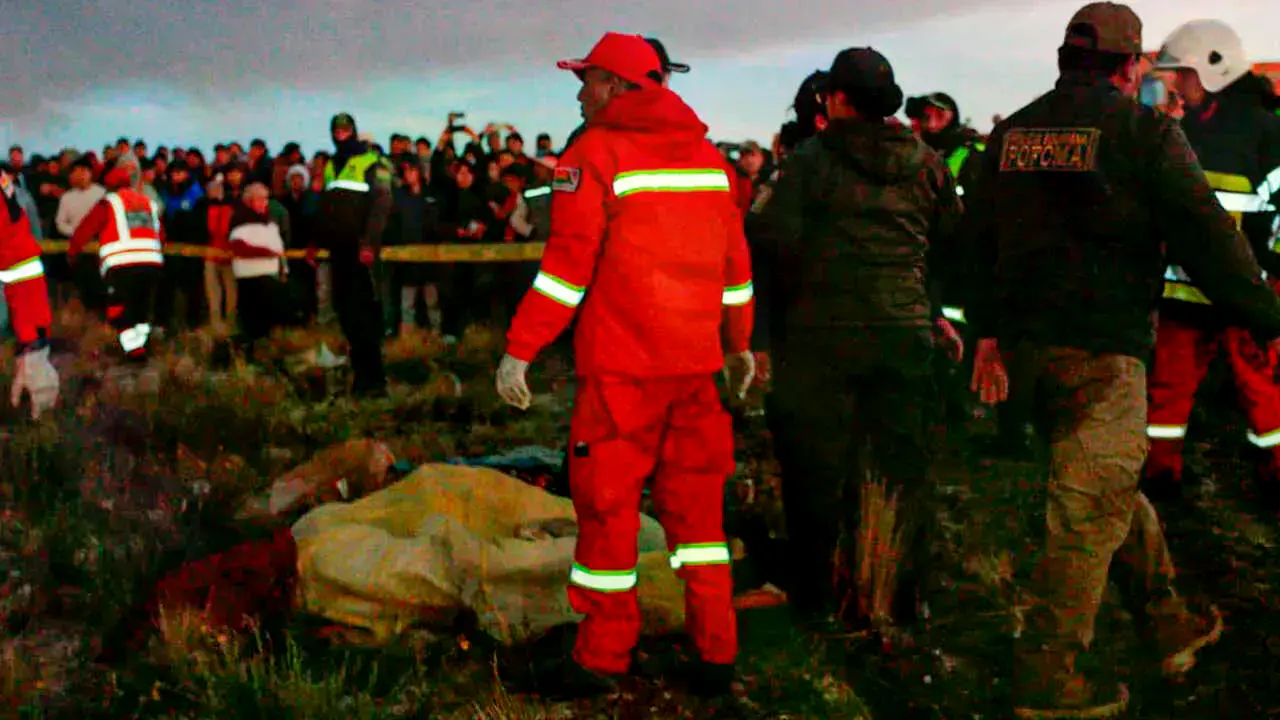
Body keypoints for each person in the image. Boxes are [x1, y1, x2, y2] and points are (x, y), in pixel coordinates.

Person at [962, 4, 1279, 716]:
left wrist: (985, 337)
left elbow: (972, 242)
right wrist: (1266, 316)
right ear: (1129, 65)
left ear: (1064, 59)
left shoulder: (1010, 135)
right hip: (1105, 352)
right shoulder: (1143, 132)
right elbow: (1205, 236)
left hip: (1026, 355)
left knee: (1100, 486)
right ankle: (1049, 677)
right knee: (1084, 513)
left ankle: (1168, 620)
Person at [494, 32, 755, 705]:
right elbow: (734, 269)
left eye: (586, 80)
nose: (579, 93)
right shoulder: (708, 157)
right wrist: (739, 344)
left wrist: (520, 347)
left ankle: (603, 655)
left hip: (621, 378)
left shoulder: (593, 154)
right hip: (696, 373)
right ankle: (716, 652)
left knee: (607, 513)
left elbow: (567, 270)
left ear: (616, 86)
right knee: (699, 521)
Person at [755, 47, 964, 636]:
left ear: (838, 99)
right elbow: (951, 241)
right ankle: (898, 597)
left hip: (824, 339)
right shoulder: (927, 162)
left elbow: (772, 243)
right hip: (903, 337)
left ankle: (816, 599)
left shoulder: (812, 162)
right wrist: (925, 308)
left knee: (814, 472)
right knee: (901, 472)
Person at [1142, 19, 1280, 505]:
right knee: (1170, 394)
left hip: (1239, 294)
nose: (1177, 85)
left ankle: (1272, 475)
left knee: (1261, 390)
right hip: (1212, 294)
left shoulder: (1266, 133)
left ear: (1213, 69)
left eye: (1183, 74)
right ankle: (1160, 479)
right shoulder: (1181, 131)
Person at [316, 112, 394, 396]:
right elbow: (325, 207)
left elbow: (381, 205)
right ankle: (361, 379)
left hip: (361, 252)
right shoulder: (330, 165)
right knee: (346, 315)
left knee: (366, 316)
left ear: (354, 130)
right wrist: (316, 241)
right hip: (338, 252)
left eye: (345, 129)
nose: (340, 134)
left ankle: (375, 382)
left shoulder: (373, 162)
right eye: (336, 129)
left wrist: (368, 243)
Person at [68, 166, 165, 362]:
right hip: (152, 263)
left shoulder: (109, 202)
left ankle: (134, 352)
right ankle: (140, 346)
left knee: (117, 307)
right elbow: (161, 233)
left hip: (122, 263)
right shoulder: (148, 203)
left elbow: (87, 227)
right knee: (141, 307)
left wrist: (73, 251)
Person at [1, 164, 58, 419]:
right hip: (23, 279)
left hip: (21, 280)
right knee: (31, 342)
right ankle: (27, 402)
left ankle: (40, 409)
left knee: (31, 342)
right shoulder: (13, 197)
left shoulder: (9, 202)